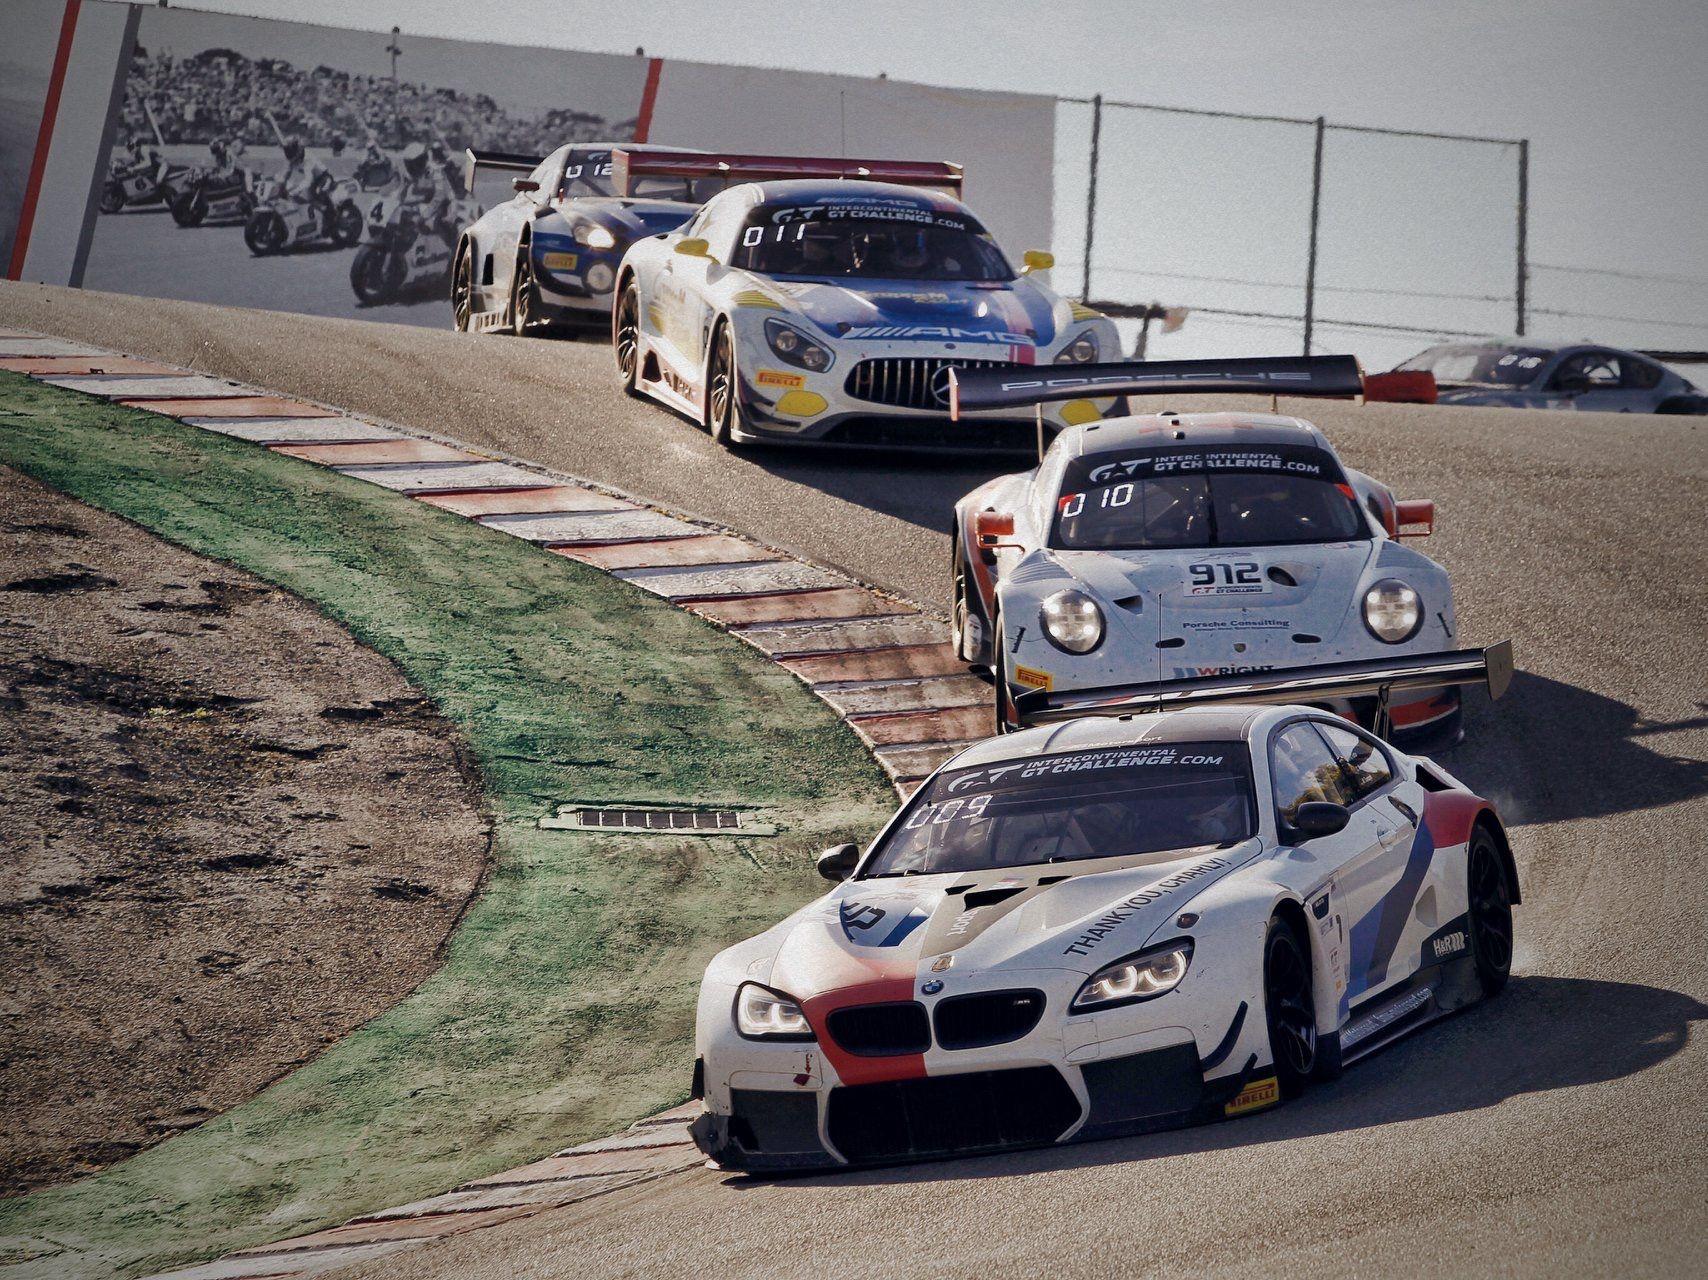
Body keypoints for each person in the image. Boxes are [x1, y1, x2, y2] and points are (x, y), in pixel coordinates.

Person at [279, 137, 335, 232]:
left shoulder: (307, 158)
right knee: (296, 195)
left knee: (317, 192)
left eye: (289, 150)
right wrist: (281, 186)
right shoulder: (292, 157)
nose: (287, 153)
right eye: (286, 150)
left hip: (323, 178)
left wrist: (295, 190)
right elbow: (286, 173)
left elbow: (308, 180)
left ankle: (330, 215)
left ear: (296, 149)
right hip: (312, 180)